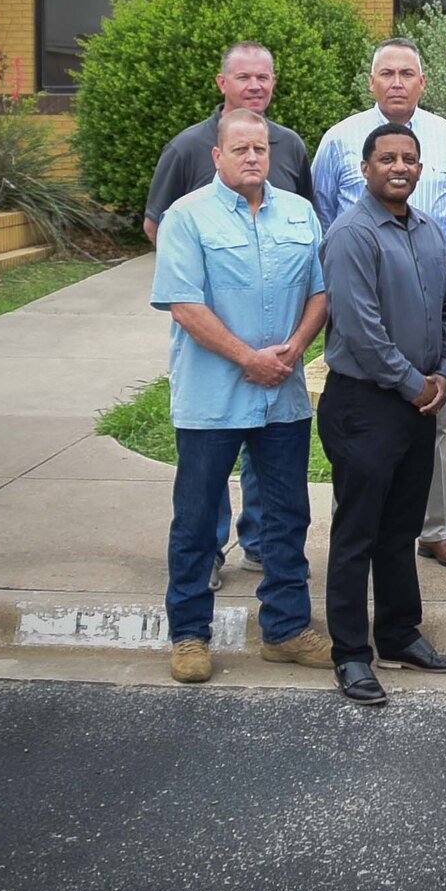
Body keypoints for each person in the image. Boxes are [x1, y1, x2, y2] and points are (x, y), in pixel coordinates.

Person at [149, 109, 330, 685]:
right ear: (218, 157)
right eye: (241, 149)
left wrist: (294, 348)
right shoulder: (187, 217)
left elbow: (321, 293)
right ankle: (189, 636)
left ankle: (285, 629)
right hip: (211, 401)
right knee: (198, 520)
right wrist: (248, 359)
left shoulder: (300, 213)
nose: (253, 157)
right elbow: (184, 304)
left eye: (260, 148)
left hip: (283, 399)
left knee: (286, 517)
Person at [141, 41, 314, 582]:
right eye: (244, 77)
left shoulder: (289, 145)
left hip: (280, 367)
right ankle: (208, 558)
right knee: (204, 484)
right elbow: (158, 225)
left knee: (277, 486)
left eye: (264, 77)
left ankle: (260, 545)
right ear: (223, 83)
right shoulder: (188, 147)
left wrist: (293, 345)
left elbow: (310, 250)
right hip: (213, 363)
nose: (255, 86)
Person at [318, 123, 446, 706]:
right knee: (357, 532)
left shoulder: (431, 232)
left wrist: (445, 374)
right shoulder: (351, 234)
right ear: (366, 167)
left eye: (409, 158)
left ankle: (400, 634)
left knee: (402, 529)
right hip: (364, 406)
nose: (400, 167)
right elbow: (359, 329)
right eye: (388, 158)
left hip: (419, 404)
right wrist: (413, 383)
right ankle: (352, 655)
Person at [312, 38, 446, 571]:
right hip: (364, 296)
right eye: (388, 72)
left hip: (426, 298)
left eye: (408, 73)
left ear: (422, 82)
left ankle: (436, 530)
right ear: (372, 81)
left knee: (434, 433)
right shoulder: (339, 140)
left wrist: (421, 260)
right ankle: (360, 532)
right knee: (364, 473)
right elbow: (325, 209)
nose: (398, 82)